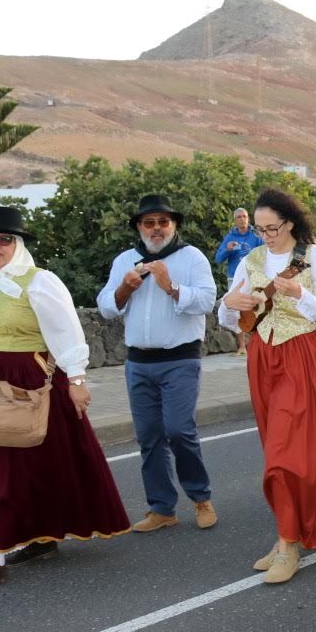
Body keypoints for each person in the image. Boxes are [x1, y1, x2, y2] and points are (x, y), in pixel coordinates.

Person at [0, 206, 130, 593]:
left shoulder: (39, 282)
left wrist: (77, 380)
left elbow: (66, 330)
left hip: (17, 387)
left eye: (5, 239)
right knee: (17, 465)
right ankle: (41, 536)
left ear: (18, 244)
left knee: (3, 468)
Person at [218, 188, 316, 583]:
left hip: (302, 356)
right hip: (262, 356)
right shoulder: (251, 259)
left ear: (290, 222)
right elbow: (230, 317)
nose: (265, 236)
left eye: (271, 228)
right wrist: (230, 304)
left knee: (287, 454)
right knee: (274, 447)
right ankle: (287, 533)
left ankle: (289, 543)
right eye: (259, 230)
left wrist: (302, 293)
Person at [96, 194, 218, 533]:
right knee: (149, 436)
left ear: (173, 224)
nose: (157, 228)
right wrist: (123, 290)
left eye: (163, 221)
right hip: (138, 363)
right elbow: (106, 306)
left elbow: (208, 300)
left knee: (179, 431)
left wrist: (171, 286)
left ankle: (200, 498)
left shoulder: (191, 257)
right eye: (149, 222)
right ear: (139, 227)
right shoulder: (125, 260)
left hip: (180, 358)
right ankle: (162, 508)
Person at [214, 207, 264, 355]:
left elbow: (266, 253)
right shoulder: (229, 237)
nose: (243, 219)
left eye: (245, 216)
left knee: (258, 308)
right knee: (236, 311)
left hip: (255, 277)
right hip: (235, 279)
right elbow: (218, 259)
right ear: (235, 220)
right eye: (239, 217)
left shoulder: (256, 236)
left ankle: (258, 340)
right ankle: (242, 345)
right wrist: (227, 250)